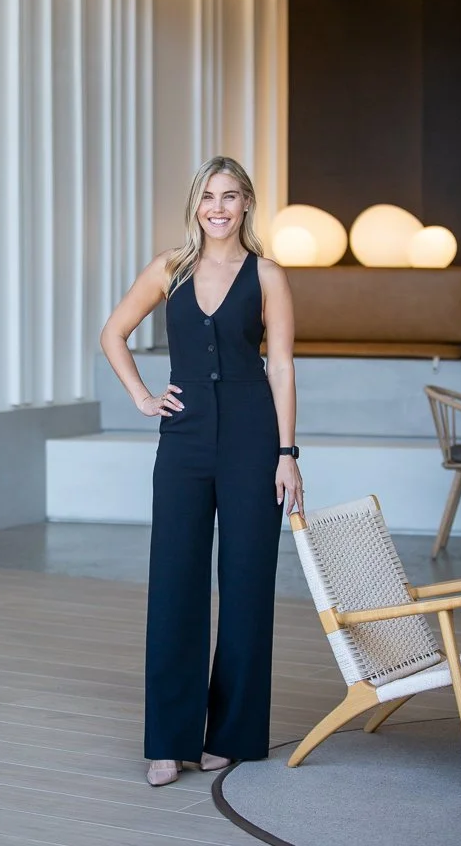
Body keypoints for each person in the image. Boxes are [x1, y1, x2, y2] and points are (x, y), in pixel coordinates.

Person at [100, 155, 303, 786]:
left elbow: (281, 366)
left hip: (253, 440)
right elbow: (113, 333)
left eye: (231, 196)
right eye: (209, 196)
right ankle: (168, 741)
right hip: (184, 441)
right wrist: (142, 397)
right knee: (175, 584)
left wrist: (287, 454)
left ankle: (233, 734)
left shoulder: (267, 274)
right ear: (196, 204)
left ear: (247, 204)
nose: (219, 207)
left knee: (246, 585)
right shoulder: (170, 268)